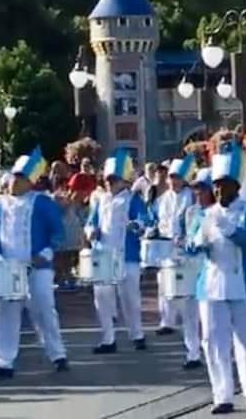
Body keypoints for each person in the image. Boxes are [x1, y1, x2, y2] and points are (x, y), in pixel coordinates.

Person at [188, 146, 246, 414]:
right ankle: (222, 395)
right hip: (211, 285)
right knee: (213, 342)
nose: (219, 191)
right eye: (216, 186)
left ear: (236, 186)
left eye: (225, 185)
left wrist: (230, 229)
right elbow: (191, 243)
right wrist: (195, 243)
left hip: (243, 282)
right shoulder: (204, 214)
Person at [0, 149, 69, 379]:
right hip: (7, 267)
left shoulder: (42, 202)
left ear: (30, 182)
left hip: (37, 267)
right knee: (5, 312)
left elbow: (58, 232)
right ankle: (3, 362)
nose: (13, 181)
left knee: (44, 310)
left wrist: (46, 253)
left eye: (19, 178)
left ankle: (57, 355)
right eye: (13, 176)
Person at [85, 149, 150, 354]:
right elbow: (91, 222)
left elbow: (144, 219)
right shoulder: (101, 200)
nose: (108, 182)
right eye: (106, 179)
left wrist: (136, 225)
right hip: (103, 254)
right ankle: (108, 338)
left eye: (113, 179)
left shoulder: (133, 199)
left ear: (123, 180)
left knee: (130, 298)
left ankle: (137, 334)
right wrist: (90, 232)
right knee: (102, 297)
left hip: (127, 255)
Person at [152, 155, 202, 368]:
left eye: (177, 177)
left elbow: (197, 223)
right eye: (171, 177)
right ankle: (168, 322)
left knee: (191, 304)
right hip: (166, 252)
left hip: (189, 254)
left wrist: (187, 239)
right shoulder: (162, 199)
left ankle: (195, 352)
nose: (173, 181)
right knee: (168, 291)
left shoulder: (193, 198)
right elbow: (154, 220)